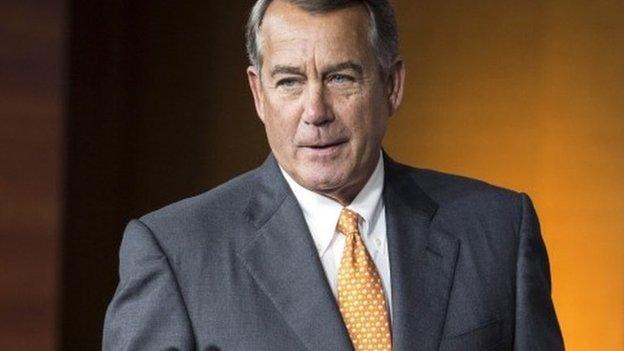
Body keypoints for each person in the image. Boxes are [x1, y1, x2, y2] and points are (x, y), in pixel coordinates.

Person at [103, 0, 564, 350]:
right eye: (289, 82)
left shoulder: (499, 229)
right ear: (258, 94)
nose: (315, 112)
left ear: (391, 85)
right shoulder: (175, 253)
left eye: (341, 78)